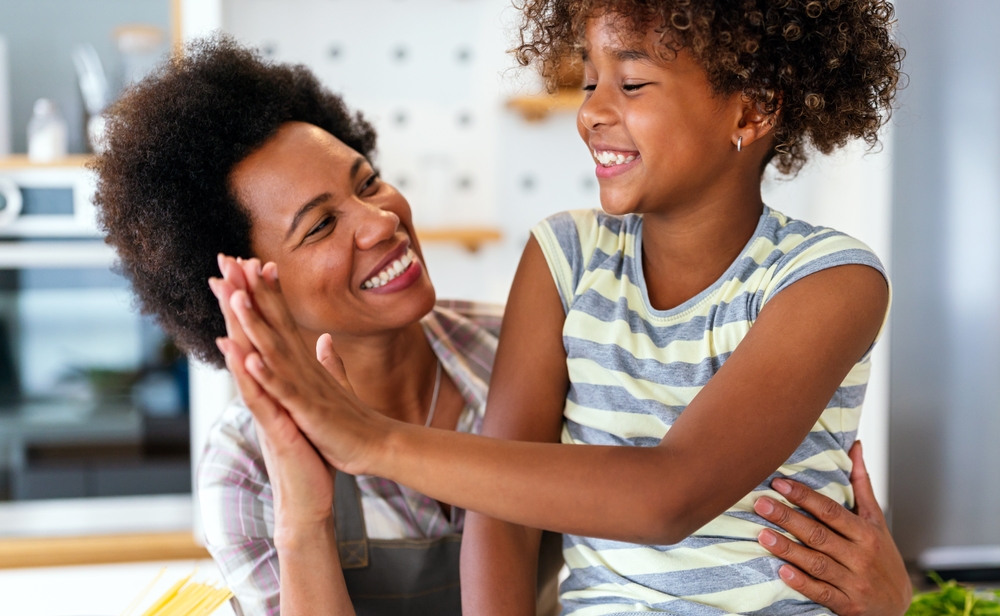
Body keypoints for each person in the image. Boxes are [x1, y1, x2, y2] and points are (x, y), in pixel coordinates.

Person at [89, 36, 907, 616]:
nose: (378, 223)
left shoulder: (517, 337)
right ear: (248, 288)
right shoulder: (243, 470)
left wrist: (364, 437)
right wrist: (303, 517)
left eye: (368, 182)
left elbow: (674, 494)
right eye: (319, 227)